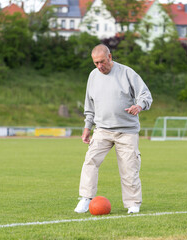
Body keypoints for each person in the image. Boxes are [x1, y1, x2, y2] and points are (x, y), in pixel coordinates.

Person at [74, 44, 153, 214]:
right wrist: (88, 126)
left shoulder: (127, 73)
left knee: (129, 167)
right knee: (90, 161)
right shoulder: (93, 76)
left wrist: (139, 106)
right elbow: (90, 105)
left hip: (127, 131)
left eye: (102, 61)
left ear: (110, 56)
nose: (99, 66)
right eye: (95, 63)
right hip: (102, 129)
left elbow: (145, 94)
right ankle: (85, 199)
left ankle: (133, 204)